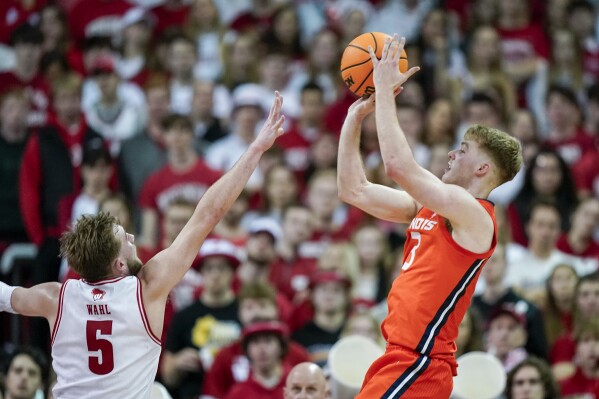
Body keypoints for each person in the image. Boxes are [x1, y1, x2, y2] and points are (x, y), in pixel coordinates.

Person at [0, 92, 286, 399]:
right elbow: (208, 214)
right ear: (119, 265)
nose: (133, 238)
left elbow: (4, 296)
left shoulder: (56, 297)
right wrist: (256, 149)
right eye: (125, 239)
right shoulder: (147, 288)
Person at [337, 34, 522, 398]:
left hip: (421, 363)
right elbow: (353, 190)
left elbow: (397, 166)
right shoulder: (431, 207)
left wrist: (386, 92)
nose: (452, 153)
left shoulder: (476, 216)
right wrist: (354, 118)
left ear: (483, 168)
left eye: (464, 149)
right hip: (398, 357)